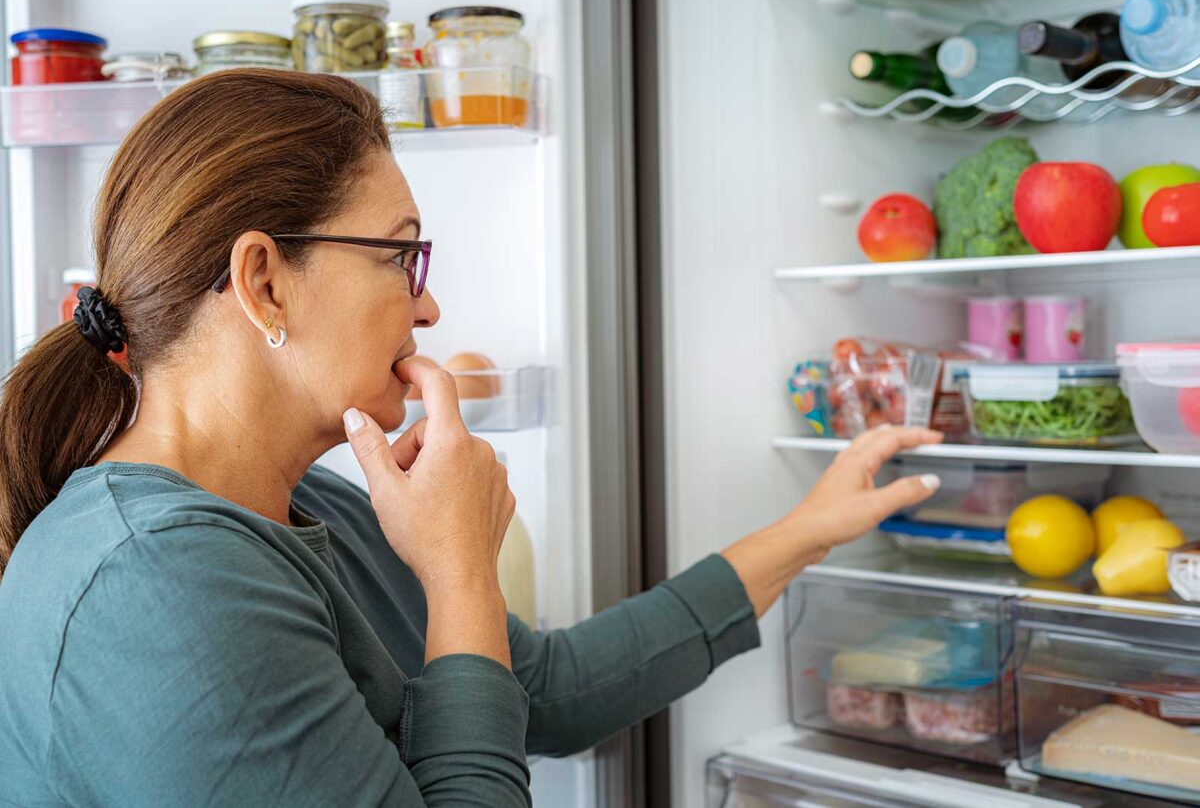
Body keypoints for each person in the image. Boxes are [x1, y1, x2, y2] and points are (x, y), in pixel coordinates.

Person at [0, 69, 943, 807]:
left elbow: (551, 689)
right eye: (401, 255)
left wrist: (813, 527)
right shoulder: (158, 588)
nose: (429, 300)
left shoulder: (302, 503)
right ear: (264, 283)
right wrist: (458, 573)